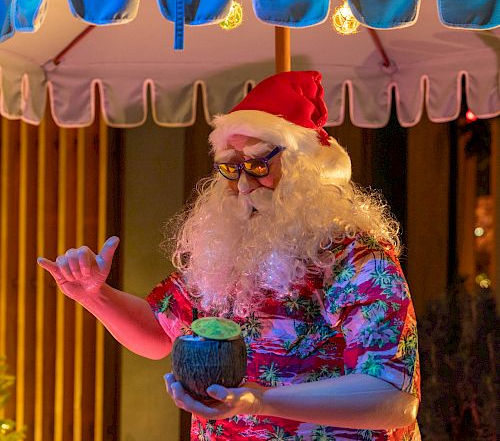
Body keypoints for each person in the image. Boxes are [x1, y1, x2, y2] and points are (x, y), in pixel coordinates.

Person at [38, 71, 420, 440]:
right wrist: (94, 295)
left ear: (306, 168)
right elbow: (159, 334)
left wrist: (260, 401)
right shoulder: (226, 250)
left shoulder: (355, 257)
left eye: (257, 164)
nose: (242, 184)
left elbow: (391, 398)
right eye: (230, 167)